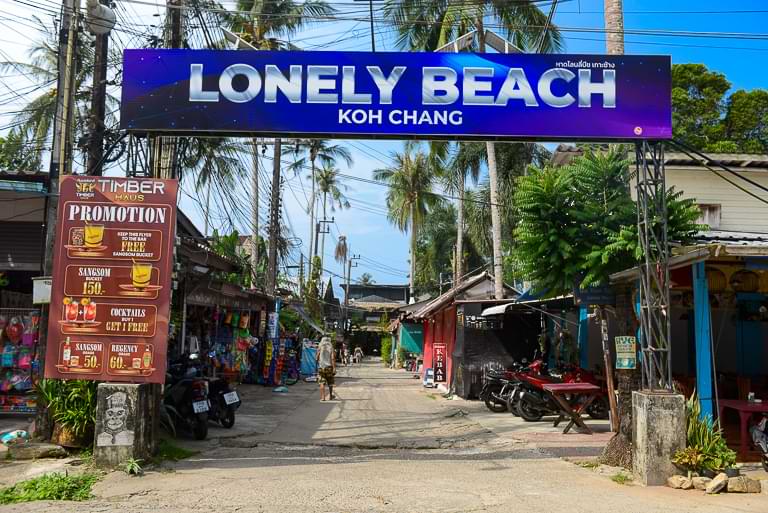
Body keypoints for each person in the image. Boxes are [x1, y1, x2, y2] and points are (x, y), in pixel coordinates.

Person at [316, 336, 335, 401]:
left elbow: (316, 358)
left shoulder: (320, 347)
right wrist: (334, 368)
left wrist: (318, 363)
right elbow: (332, 358)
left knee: (322, 382)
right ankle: (330, 396)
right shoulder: (331, 348)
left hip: (321, 367)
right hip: (329, 367)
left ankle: (323, 397)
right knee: (330, 382)